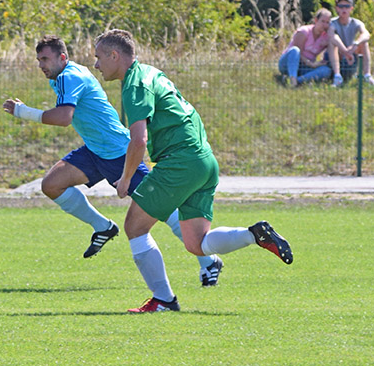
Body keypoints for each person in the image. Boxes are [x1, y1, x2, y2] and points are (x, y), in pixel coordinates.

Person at [93, 29, 293, 313]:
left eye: (99, 57)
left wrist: (125, 179)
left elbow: (139, 140)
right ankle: (254, 235)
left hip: (180, 162)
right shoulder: (151, 73)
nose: (96, 65)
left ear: (114, 55)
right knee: (197, 244)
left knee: (135, 228)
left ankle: (163, 299)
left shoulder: (135, 85)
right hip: (203, 160)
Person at [3, 35, 224, 287]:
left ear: (62, 58)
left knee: (163, 208)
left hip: (118, 152)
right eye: (39, 60)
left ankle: (209, 261)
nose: (41, 65)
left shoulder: (69, 77)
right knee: (52, 184)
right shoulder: (64, 75)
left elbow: (64, 117)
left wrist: (23, 111)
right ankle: (103, 227)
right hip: (95, 150)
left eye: (45, 59)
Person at [327, 0, 374, 87]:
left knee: (364, 43)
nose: (344, 9)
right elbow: (331, 35)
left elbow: (366, 34)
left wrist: (355, 44)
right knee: (332, 42)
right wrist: (345, 51)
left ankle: (367, 75)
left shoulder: (356, 22)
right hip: (338, 57)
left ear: (351, 8)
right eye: (341, 6)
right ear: (337, 8)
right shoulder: (332, 22)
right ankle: (337, 76)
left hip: (351, 57)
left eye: (347, 6)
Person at [278, 8, 333, 87]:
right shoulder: (304, 31)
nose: (324, 25)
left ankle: (298, 80)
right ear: (316, 20)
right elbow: (298, 53)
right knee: (295, 50)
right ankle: (293, 79)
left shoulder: (326, 37)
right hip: (289, 63)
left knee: (326, 70)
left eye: (327, 22)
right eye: (322, 21)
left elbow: (335, 46)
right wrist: (311, 64)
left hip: (305, 67)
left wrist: (331, 36)